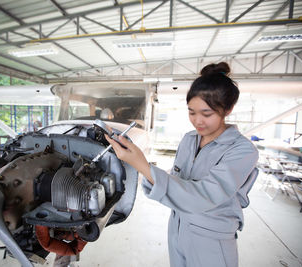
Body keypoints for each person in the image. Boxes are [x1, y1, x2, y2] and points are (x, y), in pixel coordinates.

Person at [105, 62, 259, 267]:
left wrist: (142, 165)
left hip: (211, 238)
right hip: (177, 228)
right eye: (192, 112)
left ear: (228, 109)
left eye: (207, 114)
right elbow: (176, 181)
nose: (198, 121)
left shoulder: (242, 151)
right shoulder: (189, 139)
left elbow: (202, 197)